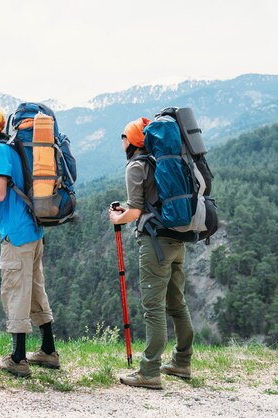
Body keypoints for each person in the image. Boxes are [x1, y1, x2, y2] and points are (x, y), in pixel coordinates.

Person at [0, 103, 59, 378]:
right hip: (32, 230)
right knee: (35, 290)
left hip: (16, 235)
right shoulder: (10, 147)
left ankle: (17, 358)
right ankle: (48, 351)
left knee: (16, 290)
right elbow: (3, 186)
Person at [109, 117, 194, 389]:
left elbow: (135, 211)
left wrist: (117, 218)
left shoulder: (136, 166)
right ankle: (182, 362)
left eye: (123, 136)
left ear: (131, 141)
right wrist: (130, 209)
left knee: (153, 309)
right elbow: (152, 202)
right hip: (176, 237)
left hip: (154, 243)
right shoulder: (160, 161)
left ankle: (149, 371)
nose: (121, 141)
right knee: (177, 304)